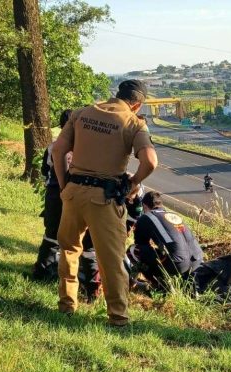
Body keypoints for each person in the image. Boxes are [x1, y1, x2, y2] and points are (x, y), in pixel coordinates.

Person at [51, 79, 158, 326]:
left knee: (68, 249)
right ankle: (118, 317)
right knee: (112, 259)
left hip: (73, 192)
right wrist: (134, 183)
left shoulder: (81, 114)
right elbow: (150, 161)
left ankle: (67, 305)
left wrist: (64, 184)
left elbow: (58, 150)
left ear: (116, 95)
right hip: (104, 198)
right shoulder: (134, 123)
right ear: (137, 104)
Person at [32, 110, 101, 300]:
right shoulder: (90, 148)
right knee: (87, 243)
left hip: (55, 195)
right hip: (82, 197)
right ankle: (89, 286)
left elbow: (46, 172)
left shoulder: (53, 147)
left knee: (52, 236)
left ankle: (43, 273)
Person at [128, 191, 204, 290]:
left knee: (133, 250)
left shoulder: (146, 217)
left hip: (178, 264)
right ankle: (182, 284)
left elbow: (140, 244)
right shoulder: (174, 214)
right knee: (175, 253)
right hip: (197, 260)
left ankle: (160, 285)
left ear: (145, 206)